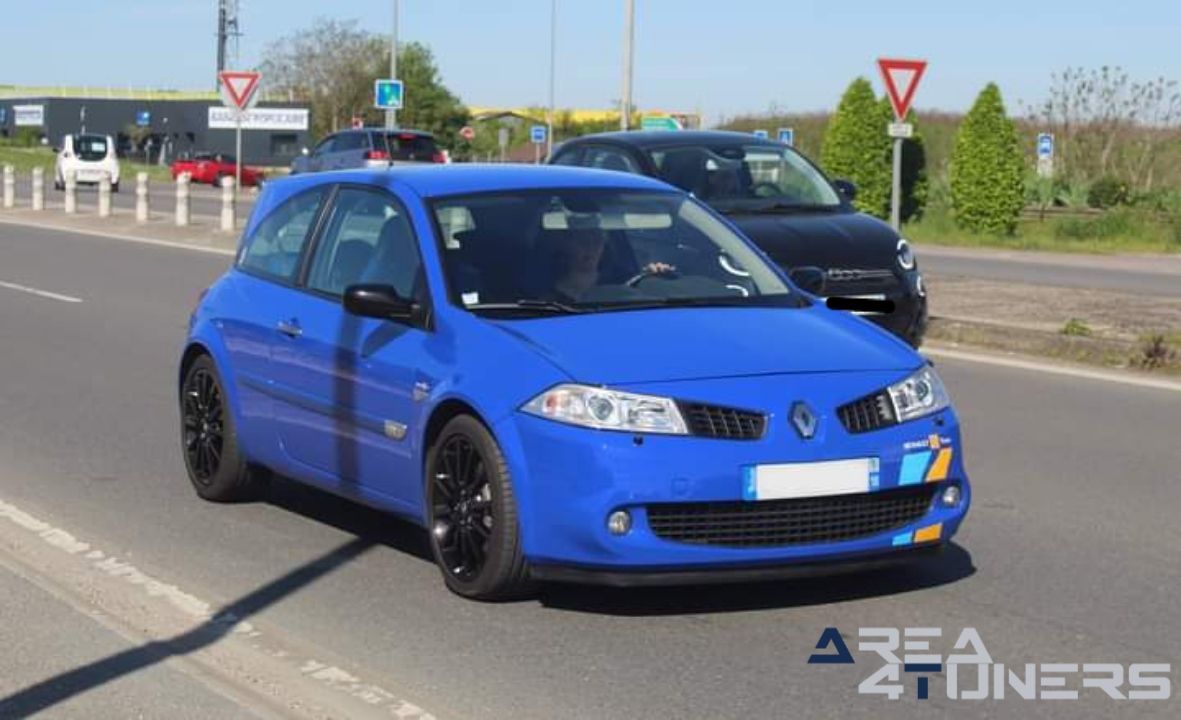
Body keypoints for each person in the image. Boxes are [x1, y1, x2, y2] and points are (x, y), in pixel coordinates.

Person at [549, 227, 675, 302]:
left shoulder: (622, 278)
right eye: (582, 241)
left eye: (597, 240)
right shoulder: (539, 297)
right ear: (564, 245)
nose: (591, 247)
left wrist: (655, 276)